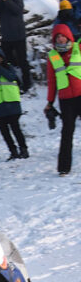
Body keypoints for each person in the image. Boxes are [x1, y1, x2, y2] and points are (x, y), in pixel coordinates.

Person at [45, 23, 81, 176]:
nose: (60, 39)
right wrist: (50, 102)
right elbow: (52, 81)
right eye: (57, 37)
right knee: (67, 132)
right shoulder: (52, 56)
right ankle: (64, 168)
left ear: (68, 36)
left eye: (62, 36)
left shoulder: (78, 48)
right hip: (66, 100)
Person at [0, 48, 28, 161]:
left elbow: (12, 77)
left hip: (11, 102)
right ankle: (13, 151)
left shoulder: (8, 67)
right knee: (5, 132)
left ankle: (23, 149)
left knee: (16, 129)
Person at [0, 0, 32, 91]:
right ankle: (14, 81)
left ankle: (27, 83)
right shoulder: (0, 1)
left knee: (23, 61)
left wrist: (7, 0)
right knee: (6, 60)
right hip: (6, 37)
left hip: (19, 36)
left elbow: (17, 11)